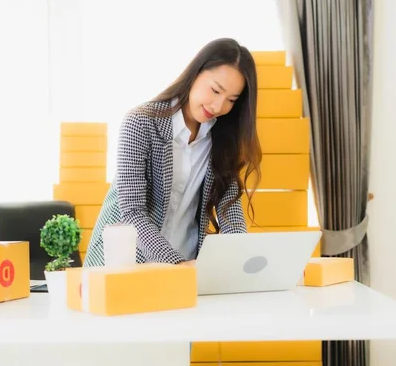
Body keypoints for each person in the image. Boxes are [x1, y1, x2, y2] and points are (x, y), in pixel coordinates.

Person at [82, 37, 262, 267]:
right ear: (196, 73)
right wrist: (176, 264)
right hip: (127, 265)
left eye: (231, 100)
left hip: (188, 265)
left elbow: (229, 211)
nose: (218, 106)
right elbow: (133, 213)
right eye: (215, 90)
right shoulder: (140, 122)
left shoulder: (223, 137)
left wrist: (240, 263)